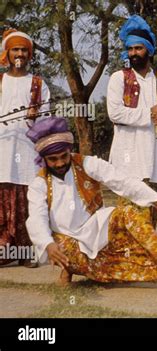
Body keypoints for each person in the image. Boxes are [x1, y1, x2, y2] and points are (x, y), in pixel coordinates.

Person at [25, 117, 157, 285]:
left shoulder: (87, 164)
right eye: (53, 159)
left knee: (129, 209)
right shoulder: (38, 184)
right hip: (65, 240)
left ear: (70, 151)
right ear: (44, 160)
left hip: (96, 229)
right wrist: (47, 244)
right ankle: (68, 270)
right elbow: (36, 219)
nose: (60, 162)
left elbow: (123, 181)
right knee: (85, 262)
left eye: (64, 156)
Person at [107, 14, 157, 222]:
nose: (133, 53)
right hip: (129, 157)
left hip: (156, 156)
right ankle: (129, 255)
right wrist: (150, 115)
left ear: (149, 50)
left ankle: (150, 255)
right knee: (129, 216)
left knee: (152, 214)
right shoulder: (118, 78)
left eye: (138, 48)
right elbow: (115, 113)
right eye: (130, 49)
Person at [0, 28, 51, 267]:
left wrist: (35, 116)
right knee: (3, 197)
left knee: (27, 199)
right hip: (2, 150)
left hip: (28, 151)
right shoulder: (0, 81)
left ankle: (24, 251)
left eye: (23, 50)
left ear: (29, 54)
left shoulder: (39, 85)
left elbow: (47, 123)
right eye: (15, 50)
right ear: (7, 54)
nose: (19, 54)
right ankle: (3, 250)